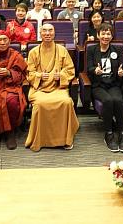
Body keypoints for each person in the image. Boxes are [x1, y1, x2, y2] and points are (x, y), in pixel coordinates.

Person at [25, 23, 79, 151]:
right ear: (40, 33)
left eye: (50, 31)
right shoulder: (33, 52)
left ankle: (65, 139)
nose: (47, 33)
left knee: (66, 102)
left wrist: (60, 76)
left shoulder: (62, 50)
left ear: (54, 33)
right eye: (45, 31)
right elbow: (29, 73)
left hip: (58, 87)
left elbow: (70, 70)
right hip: (40, 89)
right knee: (40, 104)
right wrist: (38, 76)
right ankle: (40, 140)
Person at [86, 23, 123, 152]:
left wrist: (122, 73)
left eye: (108, 33)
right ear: (98, 35)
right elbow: (89, 68)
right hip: (98, 85)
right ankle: (108, 133)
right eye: (103, 33)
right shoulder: (92, 49)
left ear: (112, 36)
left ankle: (122, 133)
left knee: (118, 100)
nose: (105, 36)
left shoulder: (117, 49)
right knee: (108, 101)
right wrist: (95, 70)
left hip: (113, 83)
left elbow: (122, 69)